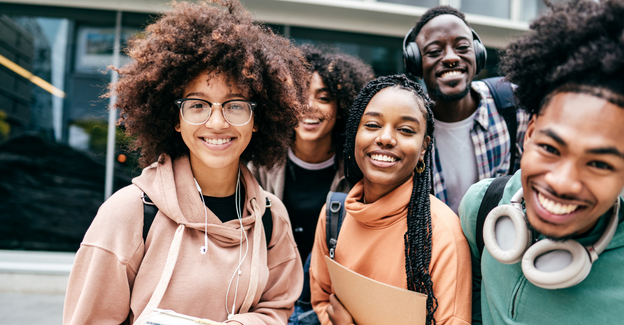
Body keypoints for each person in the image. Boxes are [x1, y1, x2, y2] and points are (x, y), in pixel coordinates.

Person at [63, 1, 307, 324]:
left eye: (235, 105)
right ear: (176, 119)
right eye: (198, 105)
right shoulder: (131, 213)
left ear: (256, 119)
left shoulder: (271, 218)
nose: (217, 123)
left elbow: (277, 309)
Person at [458, 0, 624, 324]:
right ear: (529, 134)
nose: (561, 182)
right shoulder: (481, 207)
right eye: (550, 148)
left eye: (598, 164)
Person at [310, 74, 472, 325]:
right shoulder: (335, 214)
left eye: (406, 130)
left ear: (424, 148)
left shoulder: (443, 235)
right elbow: (321, 300)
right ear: (354, 133)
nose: (385, 138)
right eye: (372, 125)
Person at [251, 44, 373, 264]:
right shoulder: (260, 164)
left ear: (342, 108)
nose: (309, 106)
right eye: (300, 95)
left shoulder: (357, 170)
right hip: (271, 284)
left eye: (323, 98)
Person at [405, 6, 530, 213]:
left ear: (478, 53)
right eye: (435, 52)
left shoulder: (515, 105)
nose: (451, 58)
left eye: (462, 47)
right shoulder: (408, 126)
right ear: (416, 63)